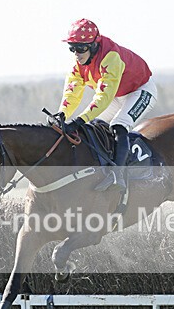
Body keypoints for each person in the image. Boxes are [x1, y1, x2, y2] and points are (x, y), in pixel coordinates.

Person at [48, 18, 157, 192]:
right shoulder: (78, 64)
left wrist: (79, 120)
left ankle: (118, 176)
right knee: (94, 127)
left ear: (93, 46)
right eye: (72, 48)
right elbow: (72, 93)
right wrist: (62, 114)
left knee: (119, 126)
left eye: (80, 48)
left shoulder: (111, 57)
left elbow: (103, 97)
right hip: (116, 95)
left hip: (140, 91)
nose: (76, 54)